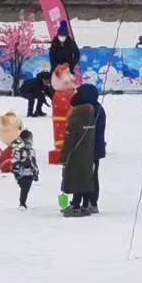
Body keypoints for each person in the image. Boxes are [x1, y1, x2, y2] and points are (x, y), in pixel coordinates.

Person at [61, 85, 100, 215]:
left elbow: (69, 138)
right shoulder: (92, 114)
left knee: (76, 178)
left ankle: (76, 206)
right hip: (89, 152)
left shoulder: (76, 118)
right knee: (86, 178)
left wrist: (64, 156)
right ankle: (85, 205)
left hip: (76, 154)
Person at [12, 128, 39, 209]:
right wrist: (17, 172)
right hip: (22, 173)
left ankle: (23, 202)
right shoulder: (18, 150)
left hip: (30, 173)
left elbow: (34, 162)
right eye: (28, 139)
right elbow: (15, 161)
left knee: (26, 188)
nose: (30, 140)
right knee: (24, 187)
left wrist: (36, 172)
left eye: (31, 138)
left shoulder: (32, 150)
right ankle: (22, 203)